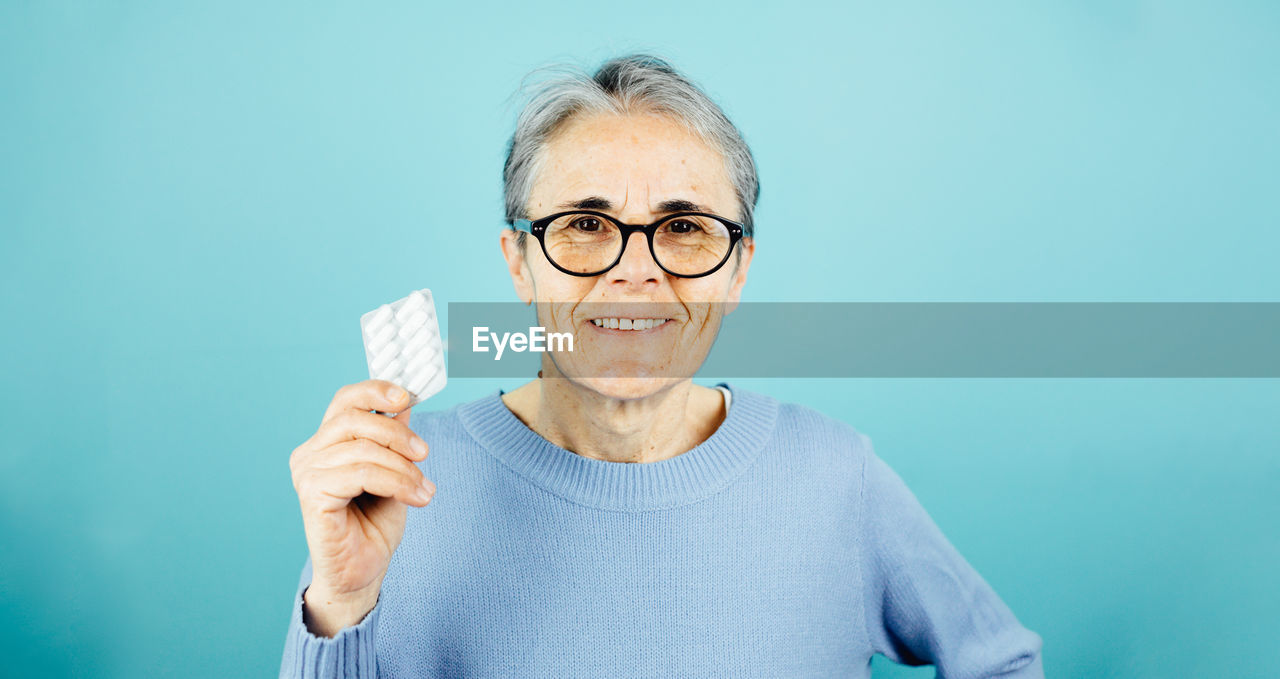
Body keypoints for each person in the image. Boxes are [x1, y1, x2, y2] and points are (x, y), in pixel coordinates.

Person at [280, 54, 1044, 678]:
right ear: (519, 263)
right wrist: (342, 604)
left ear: (738, 270)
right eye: (585, 223)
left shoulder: (836, 476)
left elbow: (1002, 663)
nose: (634, 273)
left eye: (682, 226)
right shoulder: (398, 484)